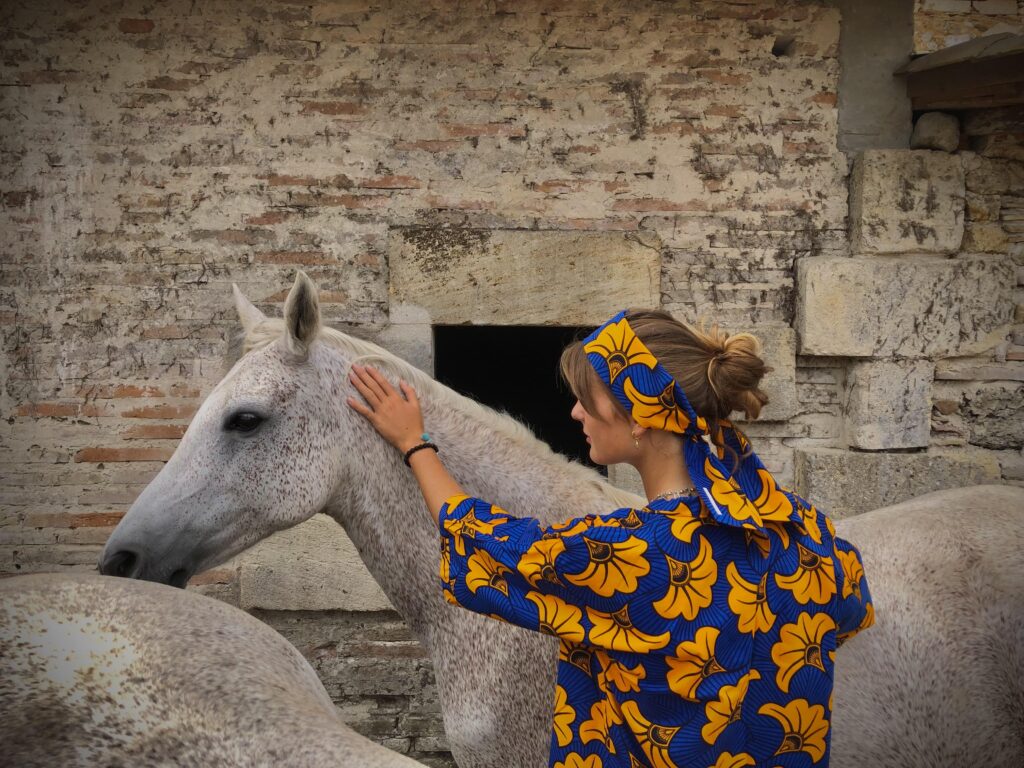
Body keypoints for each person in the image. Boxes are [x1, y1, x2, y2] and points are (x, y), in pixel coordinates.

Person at [347, 308, 874, 768]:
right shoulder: (808, 534)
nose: (575, 412)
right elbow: (852, 613)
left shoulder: (632, 552)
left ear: (641, 417)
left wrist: (415, 444)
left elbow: (480, 541)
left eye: (586, 399)